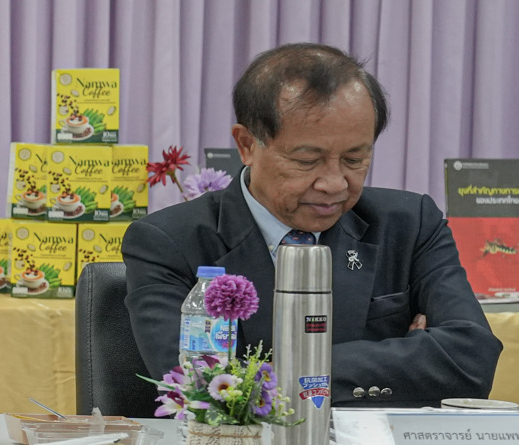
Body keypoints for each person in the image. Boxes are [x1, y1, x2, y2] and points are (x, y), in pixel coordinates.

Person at [122, 43, 500, 407]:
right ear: (247, 144)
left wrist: (279, 371)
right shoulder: (169, 242)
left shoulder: (410, 223)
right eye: (307, 161)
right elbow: (201, 388)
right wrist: (403, 356)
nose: (334, 184)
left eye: (354, 159)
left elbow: (470, 361)